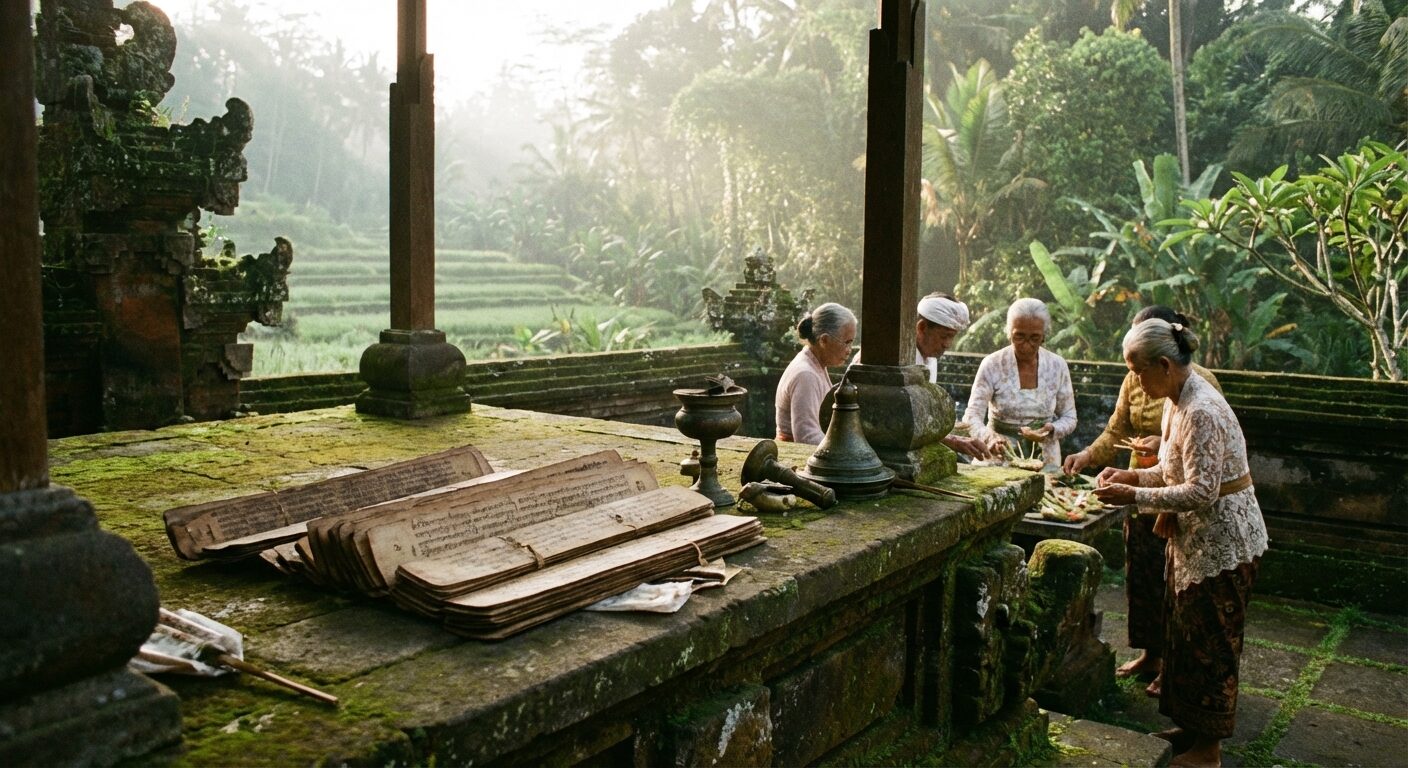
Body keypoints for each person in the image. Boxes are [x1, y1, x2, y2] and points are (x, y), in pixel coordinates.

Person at [1093, 319, 1267, 768]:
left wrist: (1133, 494)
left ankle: (1208, 750)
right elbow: (1173, 471)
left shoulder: (1202, 409)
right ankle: (1192, 729)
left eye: (1138, 370)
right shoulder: (1175, 401)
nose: (1134, 380)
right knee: (1186, 638)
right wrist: (1132, 474)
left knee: (1212, 643)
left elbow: (1201, 491)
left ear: (1165, 365)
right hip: (1195, 540)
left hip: (1223, 542)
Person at [1062, 307, 1222, 695]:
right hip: (1145, 488)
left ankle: (1173, 661)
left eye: (1139, 362)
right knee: (1144, 576)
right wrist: (1086, 456)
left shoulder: (1200, 389)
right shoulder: (1135, 381)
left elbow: (1206, 459)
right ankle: (1151, 653)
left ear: (1163, 358)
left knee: (1176, 585)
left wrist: (1162, 446)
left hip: (1176, 496)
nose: (1135, 372)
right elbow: (1116, 429)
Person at [961, 298, 1076, 471]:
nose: (1027, 345)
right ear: (1009, 333)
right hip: (999, 454)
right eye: (1019, 336)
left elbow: (1069, 417)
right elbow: (971, 416)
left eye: (1034, 338)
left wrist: (1051, 430)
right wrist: (989, 437)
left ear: (1044, 336)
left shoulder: (1057, 366)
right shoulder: (992, 364)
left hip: (1045, 459)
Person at [913, 292, 996, 460]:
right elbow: (904, 423)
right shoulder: (897, 358)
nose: (948, 344)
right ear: (921, 328)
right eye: (944, 336)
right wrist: (952, 440)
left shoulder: (929, 360)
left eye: (952, 337)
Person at [775, 302, 856, 444]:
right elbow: (806, 436)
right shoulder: (806, 375)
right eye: (846, 342)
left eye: (851, 343)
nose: (849, 350)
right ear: (824, 340)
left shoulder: (815, 365)